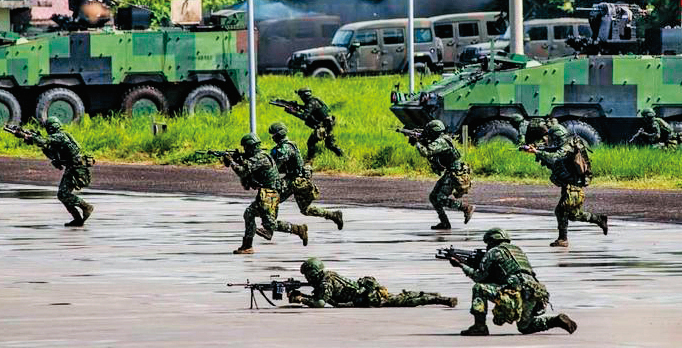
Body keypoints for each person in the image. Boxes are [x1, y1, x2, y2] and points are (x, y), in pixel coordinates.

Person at [448, 228, 577, 336]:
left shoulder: (494, 252)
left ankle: (479, 326)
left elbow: (479, 277)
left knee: (479, 288)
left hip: (515, 290)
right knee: (525, 327)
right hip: (534, 291)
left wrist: (461, 265)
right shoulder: (517, 251)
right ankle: (556, 321)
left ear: (493, 240)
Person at [227, 132, 308, 254]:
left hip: (270, 194)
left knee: (270, 224)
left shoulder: (261, 158)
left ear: (250, 147)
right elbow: (248, 171)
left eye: (246, 147)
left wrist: (232, 162)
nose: (245, 150)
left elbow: (243, 172)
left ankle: (298, 229)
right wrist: (237, 159)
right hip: (266, 193)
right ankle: (247, 246)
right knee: (249, 214)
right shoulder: (258, 157)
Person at [522, 133, 608, 248]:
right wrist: (535, 148)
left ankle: (563, 239)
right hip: (569, 185)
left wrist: (537, 152)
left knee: (561, 211)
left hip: (573, 186)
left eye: (551, 137)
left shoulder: (568, 146)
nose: (548, 140)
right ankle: (598, 219)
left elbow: (554, 157)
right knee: (573, 215)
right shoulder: (564, 146)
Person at [14, 118, 94, 226]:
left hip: (77, 168)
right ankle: (78, 219)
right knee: (62, 194)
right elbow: (49, 149)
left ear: (51, 127)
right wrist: (31, 138)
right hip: (73, 167)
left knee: (63, 194)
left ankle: (86, 207)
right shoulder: (60, 136)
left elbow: (44, 141)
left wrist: (27, 136)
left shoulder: (60, 136)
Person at [293, 258, 456, 308]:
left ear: (314, 273)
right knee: (403, 297)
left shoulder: (326, 282)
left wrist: (303, 299)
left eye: (308, 274)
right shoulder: (327, 277)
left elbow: (321, 303)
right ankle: (432, 296)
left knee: (406, 301)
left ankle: (439, 300)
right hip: (366, 295)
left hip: (370, 298)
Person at [269, 122, 343, 230]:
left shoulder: (285, 148)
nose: (272, 138)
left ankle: (270, 226)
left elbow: (275, 166)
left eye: (273, 135)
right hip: (298, 179)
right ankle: (333, 215)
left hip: (294, 180)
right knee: (306, 210)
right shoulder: (287, 145)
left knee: (273, 198)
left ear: (279, 134)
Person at [409, 119, 474, 230]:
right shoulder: (441, 139)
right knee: (433, 197)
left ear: (434, 132)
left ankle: (465, 208)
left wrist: (417, 143)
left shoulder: (441, 141)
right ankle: (444, 223)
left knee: (440, 198)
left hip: (455, 174)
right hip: (451, 172)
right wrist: (420, 139)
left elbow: (426, 152)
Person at [290, 87, 344, 160]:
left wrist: (293, 112)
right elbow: (310, 109)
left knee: (311, 143)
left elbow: (304, 116)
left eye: (300, 96)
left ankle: (309, 160)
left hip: (324, 126)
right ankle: (343, 157)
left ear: (304, 96)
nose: (300, 98)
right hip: (328, 124)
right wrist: (298, 107)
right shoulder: (314, 100)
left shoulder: (311, 103)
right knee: (330, 145)